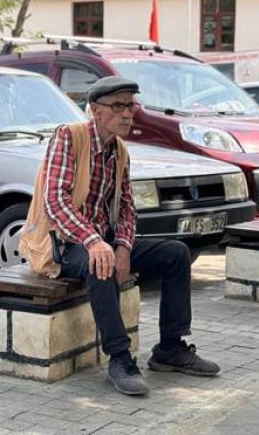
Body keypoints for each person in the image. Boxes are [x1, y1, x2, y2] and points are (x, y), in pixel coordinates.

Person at [42, 76, 220, 395]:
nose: (127, 113)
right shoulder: (69, 137)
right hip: (68, 245)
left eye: (131, 105)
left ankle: (170, 349)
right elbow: (55, 199)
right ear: (96, 110)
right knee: (101, 264)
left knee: (176, 253)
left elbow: (126, 206)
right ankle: (120, 358)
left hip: (106, 242)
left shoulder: (120, 150)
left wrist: (123, 245)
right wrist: (94, 241)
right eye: (118, 106)